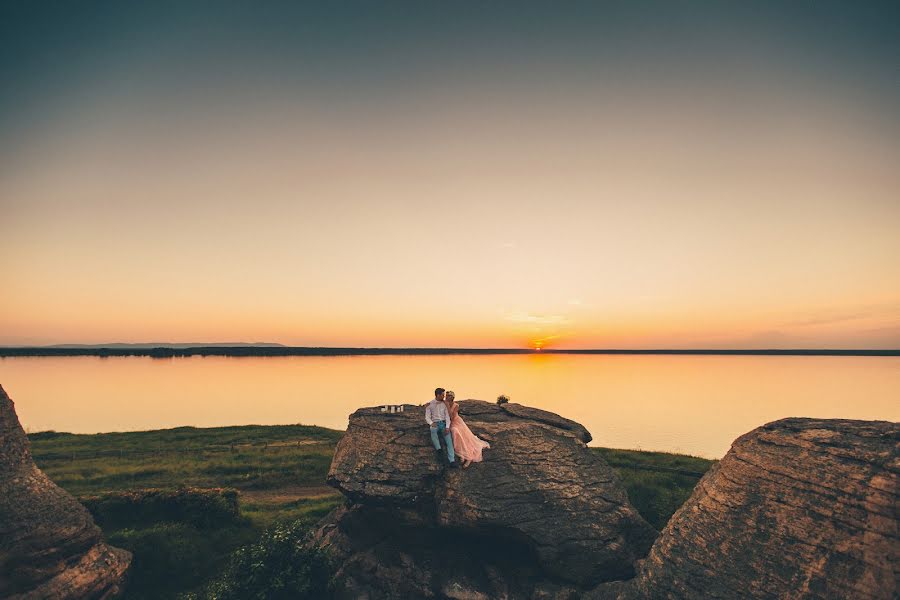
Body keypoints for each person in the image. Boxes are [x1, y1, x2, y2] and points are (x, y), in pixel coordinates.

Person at [444, 391, 490, 468]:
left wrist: (447, 406)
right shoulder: (444, 404)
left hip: (456, 422)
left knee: (457, 432)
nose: (446, 397)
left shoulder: (456, 405)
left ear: (452, 397)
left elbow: (452, 417)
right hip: (448, 423)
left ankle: (467, 456)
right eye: (446, 395)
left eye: (448, 396)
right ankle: (461, 453)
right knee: (455, 432)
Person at [425, 387, 456, 466]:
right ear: (438, 395)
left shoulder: (445, 404)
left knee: (449, 441)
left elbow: (447, 417)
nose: (444, 396)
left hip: (443, 424)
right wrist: (431, 423)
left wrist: (447, 427)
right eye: (442, 395)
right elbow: (427, 416)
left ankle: (452, 461)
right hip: (435, 423)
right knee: (432, 430)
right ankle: (439, 449)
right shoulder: (430, 404)